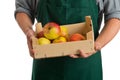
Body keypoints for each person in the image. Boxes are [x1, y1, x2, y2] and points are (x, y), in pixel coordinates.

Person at [14, 0, 120, 80]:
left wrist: (97, 44)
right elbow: (23, 9)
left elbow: (115, 16)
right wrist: (29, 32)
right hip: (46, 65)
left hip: (87, 66)